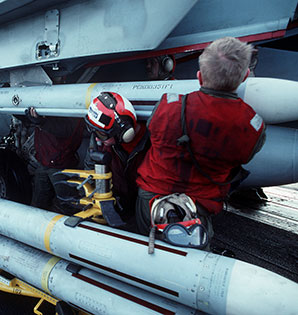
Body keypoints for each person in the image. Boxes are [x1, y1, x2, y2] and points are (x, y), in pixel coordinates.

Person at [135, 37, 266, 240]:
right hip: (198, 208)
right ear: (245, 76)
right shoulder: (251, 125)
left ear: (199, 76)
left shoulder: (169, 106)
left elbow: (152, 130)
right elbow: (247, 155)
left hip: (151, 200)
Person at [84, 92, 149, 221]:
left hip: (141, 210)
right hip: (118, 207)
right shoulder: (102, 142)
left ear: (123, 133)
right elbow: (89, 169)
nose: (97, 138)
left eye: (101, 134)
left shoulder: (152, 145)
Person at [25, 107, 84, 211]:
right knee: (39, 202)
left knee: (68, 205)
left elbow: (66, 130)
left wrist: (41, 122)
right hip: (44, 160)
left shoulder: (71, 105)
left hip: (60, 163)